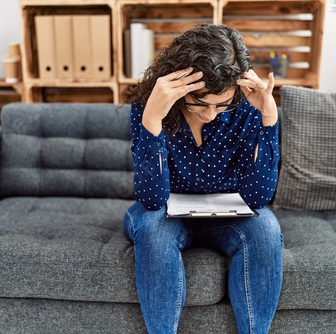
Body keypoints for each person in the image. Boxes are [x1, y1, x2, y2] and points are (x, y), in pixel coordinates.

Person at [122, 24, 283, 334]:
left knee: (266, 227)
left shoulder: (246, 107)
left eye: (222, 103)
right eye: (199, 101)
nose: (211, 113)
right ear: (182, 84)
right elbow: (152, 198)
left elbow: (258, 198)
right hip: (164, 213)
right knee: (154, 228)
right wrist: (152, 120)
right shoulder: (150, 106)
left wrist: (269, 119)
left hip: (225, 216)